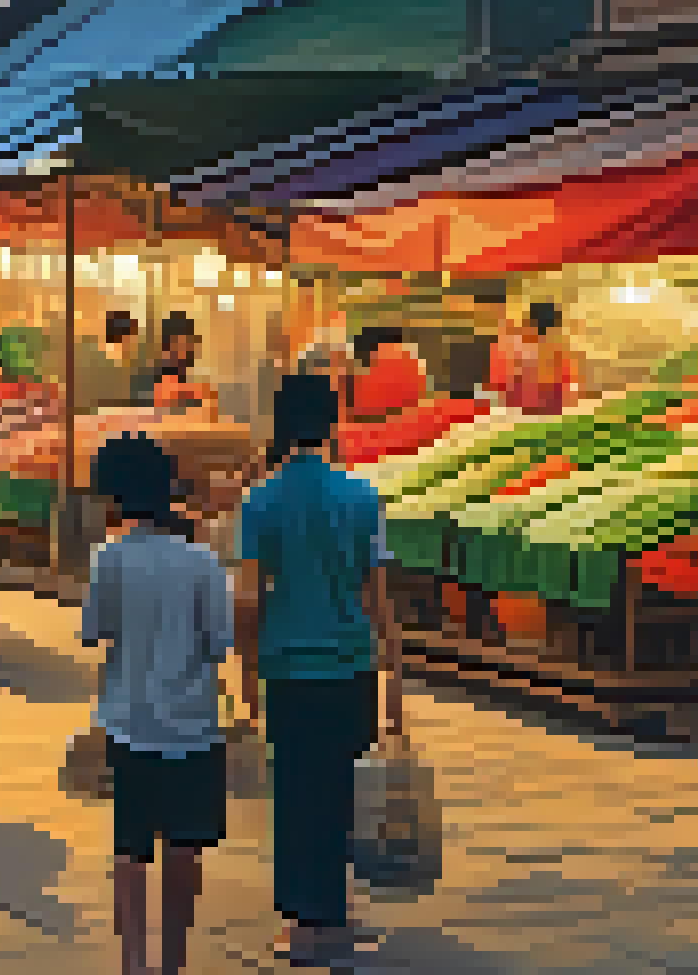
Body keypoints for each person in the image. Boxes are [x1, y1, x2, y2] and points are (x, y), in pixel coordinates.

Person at [236, 372, 404, 966]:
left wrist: (246, 673)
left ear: (281, 426)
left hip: (288, 666)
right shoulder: (363, 498)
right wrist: (396, 683)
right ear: (333, 426)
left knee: (296, 791)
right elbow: (379, 598)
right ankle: (337, 913)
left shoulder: (259, 501)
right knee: (342, 791)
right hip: (352, 665)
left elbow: (249, 601)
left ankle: (301, 925)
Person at [82, 434, 232, 975]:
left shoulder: (109, 559)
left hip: (129, 720)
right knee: (184, 848)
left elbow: (93, 631)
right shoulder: (202, 561)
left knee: (130, 848)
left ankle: (132, 962)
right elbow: (220, 641)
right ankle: (174, 962)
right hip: (194, 724)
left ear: (115, 498)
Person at [495, 302, 574, 415]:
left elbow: (507, 376)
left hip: (523, 403)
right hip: (547, 403)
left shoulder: (520, 342)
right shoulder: (556, 348)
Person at [150, 313, 218, 416]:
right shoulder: (160, 387)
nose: (184, 350)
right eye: (175, 344)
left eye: (189, 344)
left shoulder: (202, 387)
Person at [74, 310, 141, 414]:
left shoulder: (125, 361)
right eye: (133, 336)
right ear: (125, 337)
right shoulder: (101, 364)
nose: (135, 341)